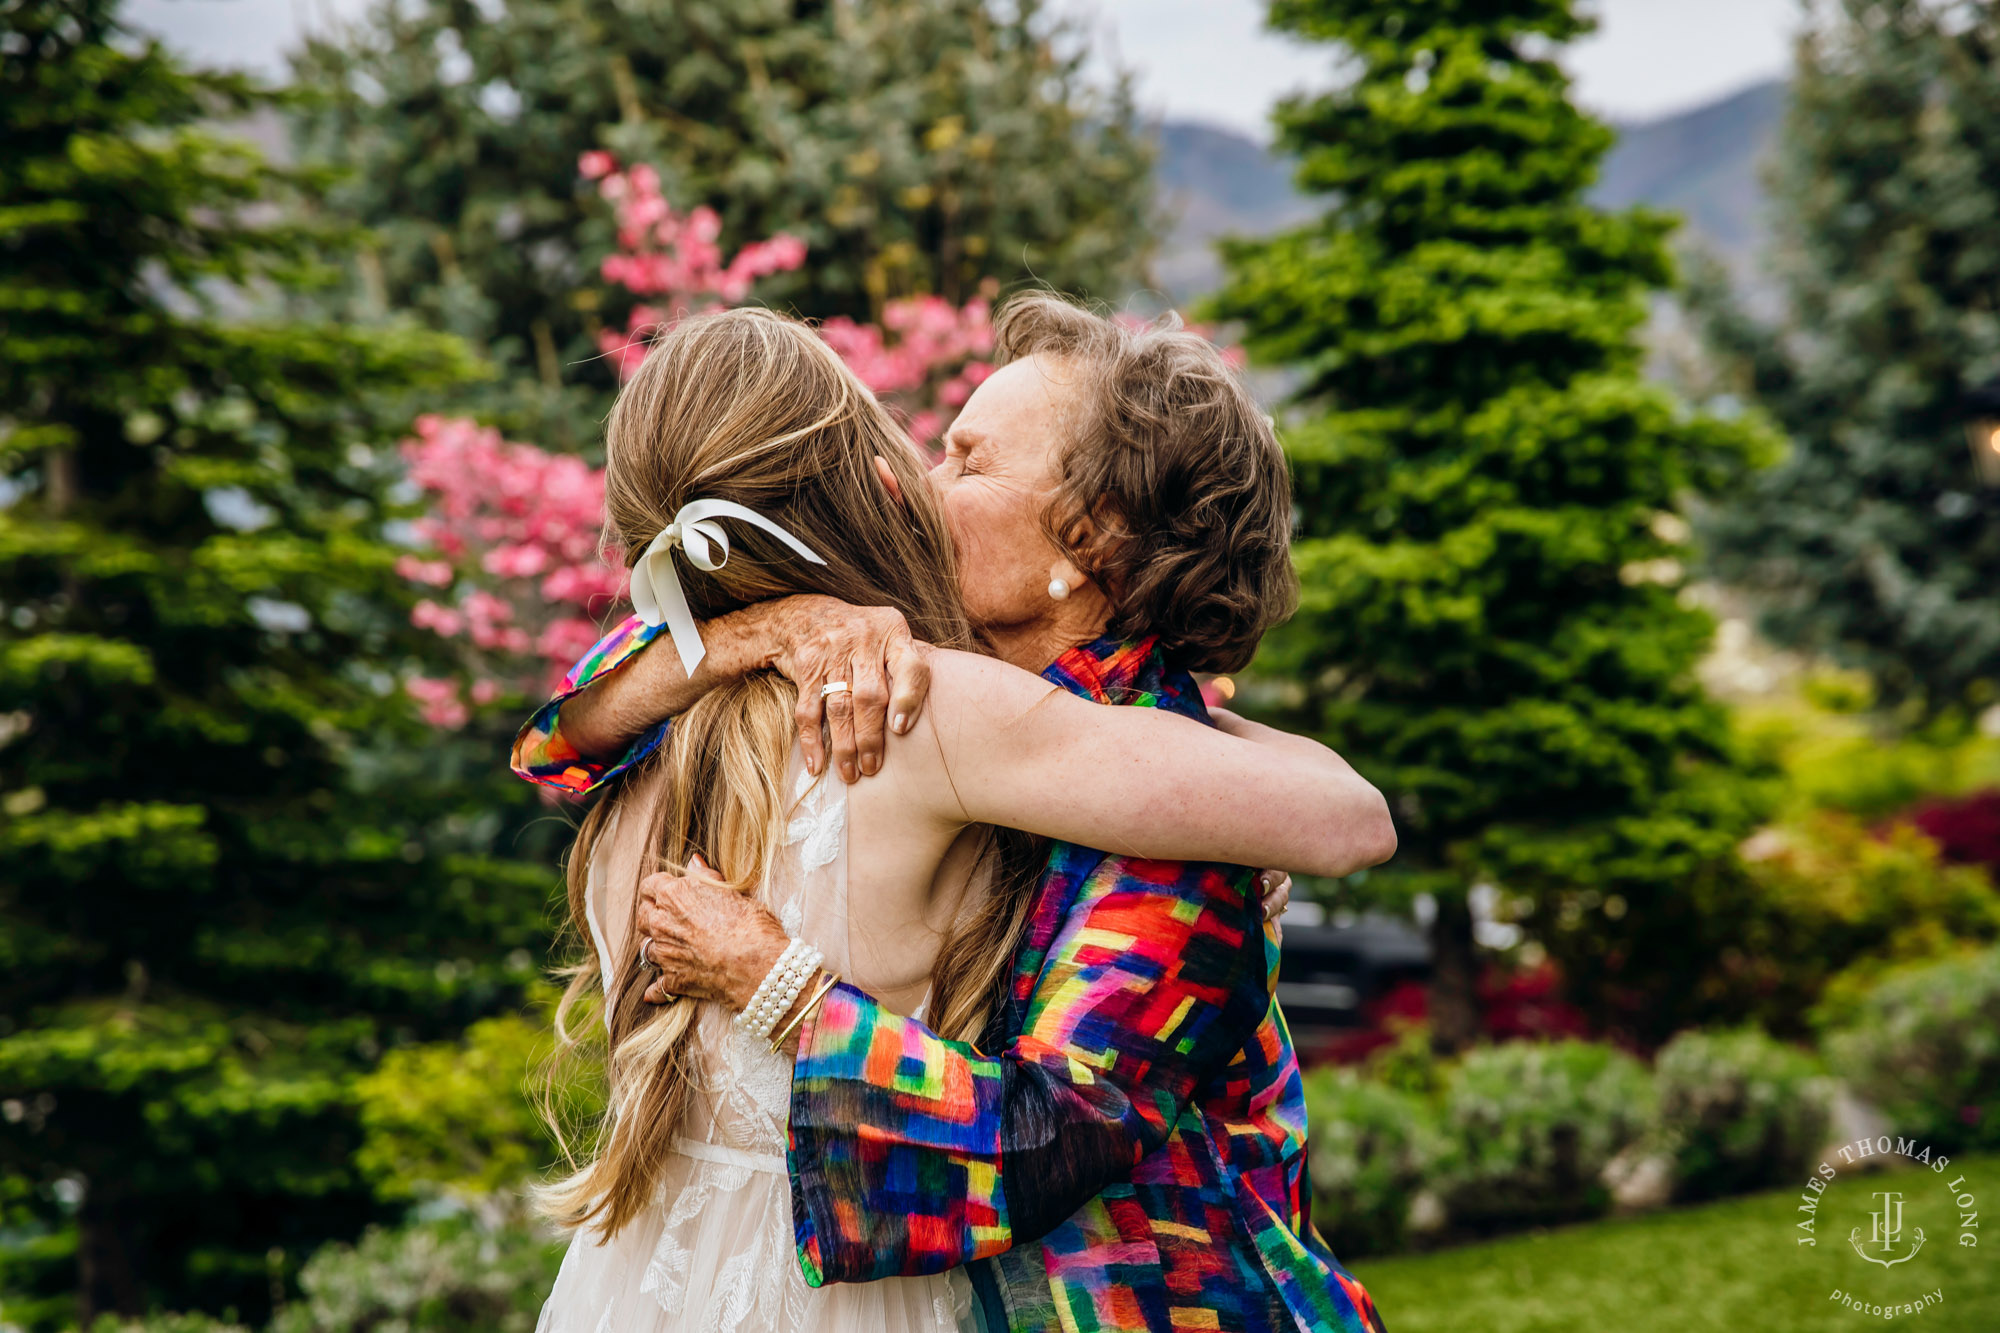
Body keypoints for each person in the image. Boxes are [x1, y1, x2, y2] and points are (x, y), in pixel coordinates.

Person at [526, 303, 1395, 1333]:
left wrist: (780, 987)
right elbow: (561, 741)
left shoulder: (1176, 827)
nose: (913, 484)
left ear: (1093, 533)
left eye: (964, 460)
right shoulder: (931, 694)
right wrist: (767, 626)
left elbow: (1046, 1138)